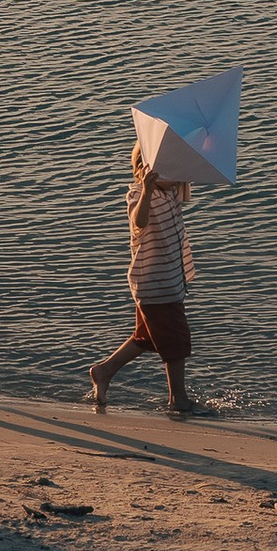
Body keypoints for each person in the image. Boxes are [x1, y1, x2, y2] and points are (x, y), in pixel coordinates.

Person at [89, 146, 200, 414]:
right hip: (155, 283)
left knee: (146, 338)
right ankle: (178, 399)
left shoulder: (173, 191)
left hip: (171, 278)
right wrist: (148, 190)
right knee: (176, 342)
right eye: (169, 168)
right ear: (147, 171)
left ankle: (104, 371)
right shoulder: (139, 195)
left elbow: (185, 175)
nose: (176, 173)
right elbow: (138, 221)